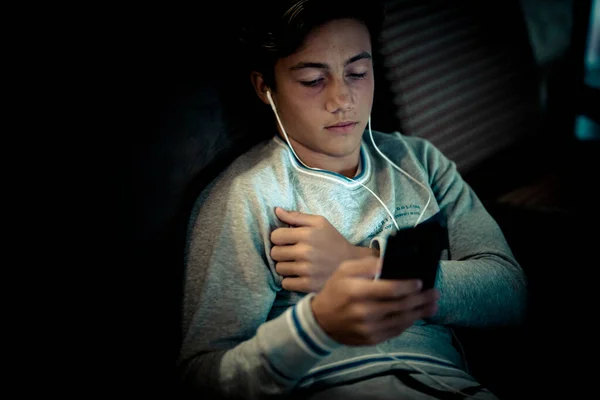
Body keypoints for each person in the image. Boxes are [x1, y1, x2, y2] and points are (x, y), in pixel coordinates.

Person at [177, 1, 527, 398]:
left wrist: (357, 263)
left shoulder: (419, 162)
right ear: (265, 87)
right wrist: (315, 328)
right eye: (312, 80)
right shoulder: (250, 196)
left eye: (358, 72)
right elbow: (201, 378)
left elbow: (509, 293)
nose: (342, 99)